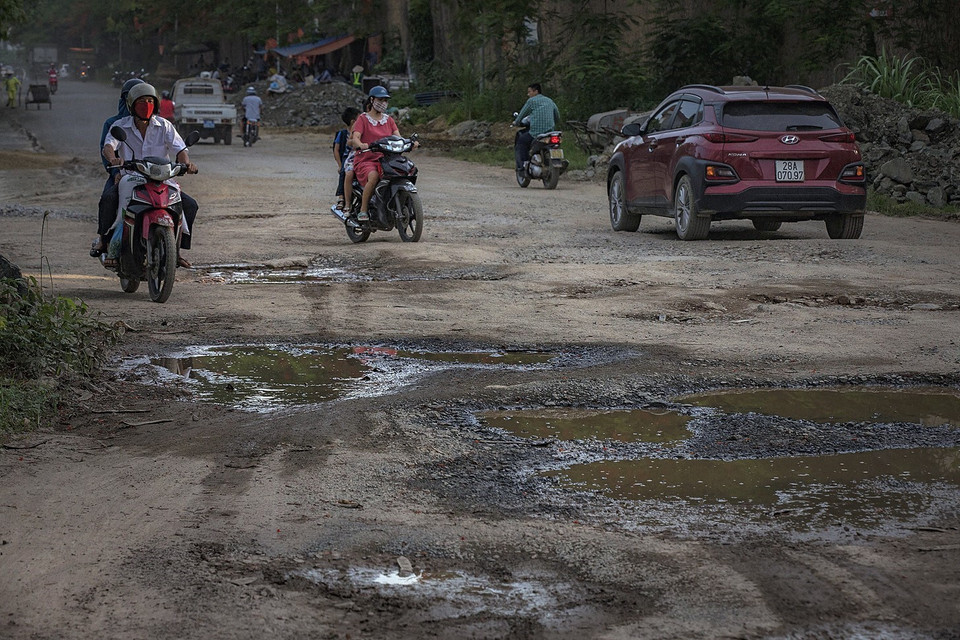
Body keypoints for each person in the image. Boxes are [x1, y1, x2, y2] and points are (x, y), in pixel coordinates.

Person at [99, 83, 199, 268]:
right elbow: (108, 146)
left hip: (162, 177)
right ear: (131, 105)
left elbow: (180, 148)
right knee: (110, 199)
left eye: (150, 101)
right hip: (131, 177)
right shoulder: (120, 125)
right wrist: (114, 159)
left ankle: (176, 250)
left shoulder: (165, 125)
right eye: (141, 101)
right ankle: (109, 243)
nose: (146, 104)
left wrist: (187, 164)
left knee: (189, 205)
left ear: (156, 104)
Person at [349, 86, 417, 222]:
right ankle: (363, 209)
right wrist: (361, 144)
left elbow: (398, 138)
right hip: (366, 159)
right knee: (374, 176)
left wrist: (410, 143)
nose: (383, 103)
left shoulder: (389, 120)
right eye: (380, 99)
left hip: (386, 159)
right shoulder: (363, 119)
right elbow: (355, 137)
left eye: (386, 100)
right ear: (372, 100)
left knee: (407, 170)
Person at [513, 82, 560, 174]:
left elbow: (522, 114)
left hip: (536, 133)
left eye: (529, 92)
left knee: (521, 142)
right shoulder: (550, 101)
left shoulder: (531, 101)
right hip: (550, 133)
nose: (528, 94)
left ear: (536, 91)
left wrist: (516, 122)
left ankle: (522, 166)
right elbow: (557, 116)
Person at [333, 107, 360, 211]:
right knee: (344, 172)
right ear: (353, 121)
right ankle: (341, 196)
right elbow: (336, 150)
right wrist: (339, 165)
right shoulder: (343, 134)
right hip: (347, 157)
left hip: (359, 154)